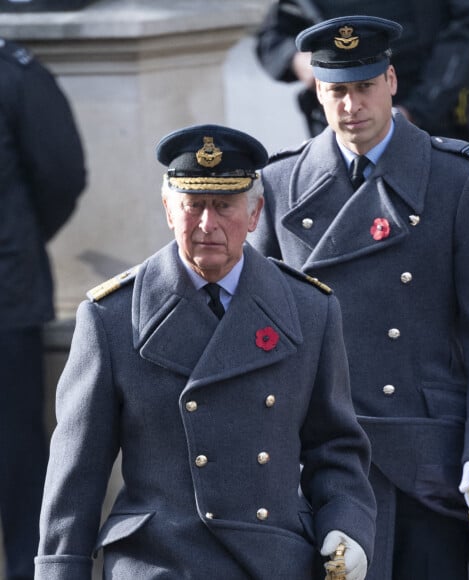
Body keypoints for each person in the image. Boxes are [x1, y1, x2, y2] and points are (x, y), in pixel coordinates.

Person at [248, 15, 469, 580]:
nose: (352, 105)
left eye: (365, 86)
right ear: (318, 93)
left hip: (429, 456)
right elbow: (261, 333)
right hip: (326, 457)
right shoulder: (281, 184)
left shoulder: (457, 179)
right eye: (337, 91)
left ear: (392, 81)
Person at [34, 124, 377, 580]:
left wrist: (345, 526)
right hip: (158, 560)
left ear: (255, 214)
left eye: (224, 206)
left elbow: (335, 448)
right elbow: (75, 474)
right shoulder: (112, 317)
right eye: (193, 205)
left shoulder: (309, 309)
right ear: (168, 210)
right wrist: (60, 569)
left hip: (271, 558)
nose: (207, 225)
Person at [0, 39, 86, 580]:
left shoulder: (16, 76)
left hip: (5, 301)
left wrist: (18, 243)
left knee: (18, 459)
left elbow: (61, 175)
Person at [255, 0, 469, 143]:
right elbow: (272, 38)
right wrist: (299, 61)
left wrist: (414, 110)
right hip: (345, 128)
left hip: (434, 118)